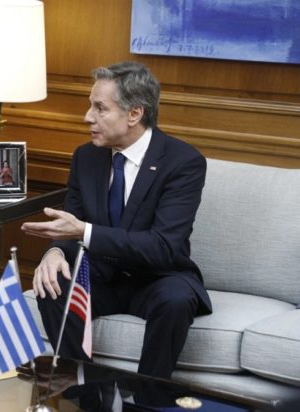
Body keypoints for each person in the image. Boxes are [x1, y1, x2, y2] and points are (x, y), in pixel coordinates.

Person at [21, 61, 211, 379]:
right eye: (90, 106)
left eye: (100, 108)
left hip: (158, 276)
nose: (88, 117)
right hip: (101, 275)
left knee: (176, 300)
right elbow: (72, 223)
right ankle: (84, 392)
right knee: (51, 285)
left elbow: (163, 246)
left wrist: (84, 231)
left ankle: (148, 396)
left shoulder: (183, 162)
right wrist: (54, 251)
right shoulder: (86, 157)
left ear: (134, 114)